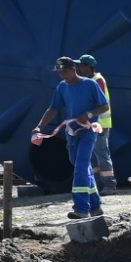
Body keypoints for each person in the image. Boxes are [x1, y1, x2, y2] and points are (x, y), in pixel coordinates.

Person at [31, 56, 109, 219]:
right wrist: (39, 127)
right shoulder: (62, 87)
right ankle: (95, 205)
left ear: (74, 70)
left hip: (88, 132)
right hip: (72, 134)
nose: (62, 75)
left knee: (81, 166)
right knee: (82, 166)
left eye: (64, 72)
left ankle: (81, 208)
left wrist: (88, 114)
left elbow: (104, 106)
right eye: (59, 72)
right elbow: (53, 109)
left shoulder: (90, 84)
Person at [74, 54, 115, 194]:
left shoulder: (98, 80)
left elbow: (99, 102)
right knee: (93, 155)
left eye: (81, 65)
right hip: (90, 125)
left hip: (100, 124)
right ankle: (97, 185)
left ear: (88, 66)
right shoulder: (89, 81)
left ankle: (109, 185)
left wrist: (88, 114)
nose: (78, 68)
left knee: (102, 153)